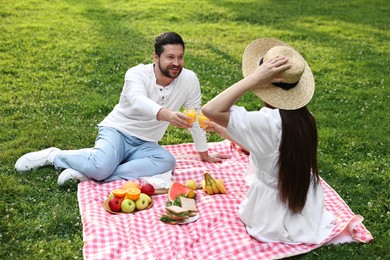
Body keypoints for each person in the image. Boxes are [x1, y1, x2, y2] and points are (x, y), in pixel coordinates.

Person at [15, 32, 229, 185]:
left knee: (167, 162)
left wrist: (204, 153)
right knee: (101, 165)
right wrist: (167, 115)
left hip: (146, 143)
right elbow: (137, 100)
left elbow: (195, 115)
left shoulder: (189, 79)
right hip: (117, 131)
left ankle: (92, 172)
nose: (176, 63)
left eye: (180, 57)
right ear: (156, 57)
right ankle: (55, 156)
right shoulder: (136, 74)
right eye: (170, 57)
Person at [202, 38, 335, 244]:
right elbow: (269, 150)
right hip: (306, 206)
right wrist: (223, 130)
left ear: (265, 84)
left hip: (271, 215)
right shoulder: (305, 118)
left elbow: (210, 110)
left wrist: (254, 78)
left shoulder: (265, 122)